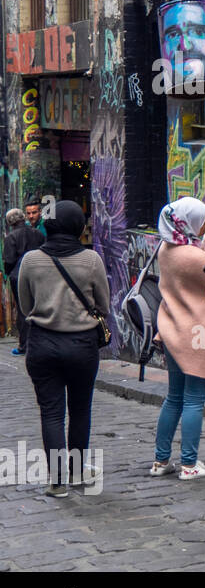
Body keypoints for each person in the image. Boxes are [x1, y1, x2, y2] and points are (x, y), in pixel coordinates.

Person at [18, 200, 109, 497]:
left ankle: (57, 481)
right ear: (77, 226)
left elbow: (25, 305)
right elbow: (103, 306)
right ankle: (78, 471)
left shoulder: (31, 260)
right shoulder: (91, 260)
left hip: (42, 343)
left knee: (52, 413)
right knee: (80, 410)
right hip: (82, 345)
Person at [150, 197, 205, 480]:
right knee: (194, 398)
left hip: (173, 330)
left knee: (174, 397)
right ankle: (189, 464)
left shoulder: (167, 248)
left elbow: (203, 261)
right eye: (203, 218)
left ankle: (161, 461)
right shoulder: (192, 256)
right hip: (196, 333)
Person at [4, 207, 44, 355]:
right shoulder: (37, 234)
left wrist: (8, 274)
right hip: (38, 274)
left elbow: (8, 261)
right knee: (39, 305)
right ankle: (40, 342)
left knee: (23, 309)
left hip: (18, 276)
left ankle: (24, 345)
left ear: (9, 222)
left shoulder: (11, 238)